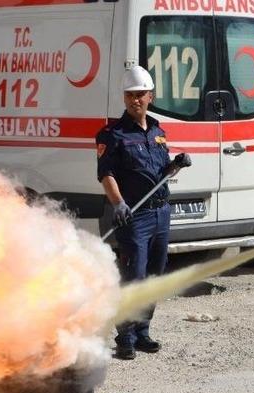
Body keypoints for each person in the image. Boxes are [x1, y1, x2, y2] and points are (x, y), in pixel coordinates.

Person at [96, 66, 190, 361]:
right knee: (133, 276)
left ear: (151, 96)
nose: (134, 100)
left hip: (161, 212)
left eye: (140, 95)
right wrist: (118, 203)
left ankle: (142, 331)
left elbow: (159, 172)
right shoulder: (113, 134)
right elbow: (105, 173)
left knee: (154, 275)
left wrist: (176, 164)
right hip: (134, 217)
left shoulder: (158, 131)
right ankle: (124, 336)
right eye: (129, 95)